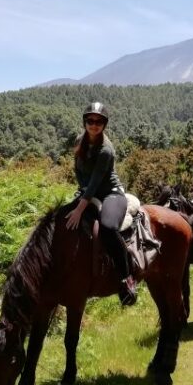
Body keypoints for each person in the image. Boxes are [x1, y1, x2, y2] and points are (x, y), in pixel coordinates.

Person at [65, 102, 136, 306]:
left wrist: (80, 208)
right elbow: (78, 170)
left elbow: (96, 181)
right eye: (90, 120)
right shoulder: (79, 141)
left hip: (111, 194)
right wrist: (82, 192)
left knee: (107, 227)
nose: (94, 125)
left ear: (104, 124)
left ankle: (126, 277)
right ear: (85, 122)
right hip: (88, 192)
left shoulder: (106, 150)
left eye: (99, 121)